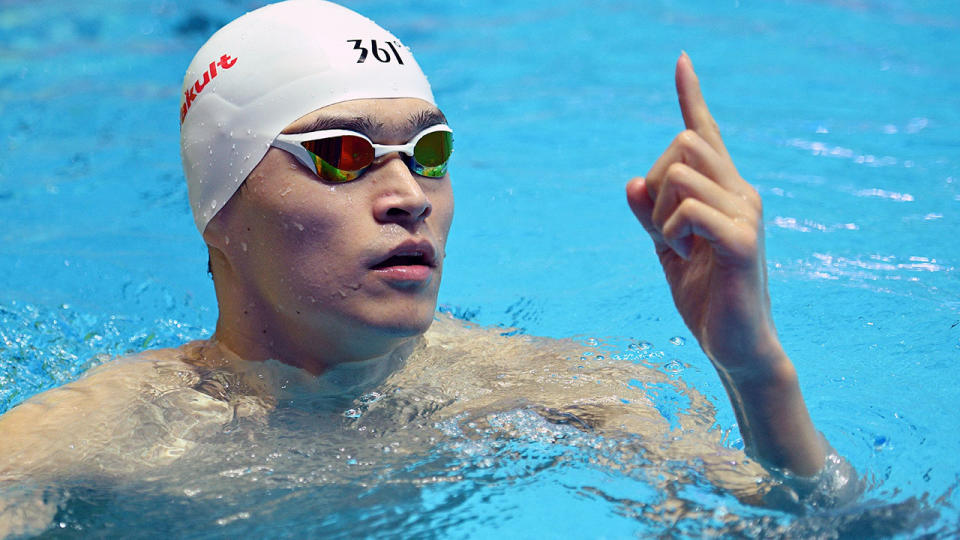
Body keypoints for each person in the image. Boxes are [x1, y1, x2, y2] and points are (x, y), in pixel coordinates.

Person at [0, 0, 858, 533]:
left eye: (430, 150)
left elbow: (818, 528)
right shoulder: (98, 439)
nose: (408, 192)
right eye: (341, 154)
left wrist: (753, 368)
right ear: (219, 212)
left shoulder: (540, 394)